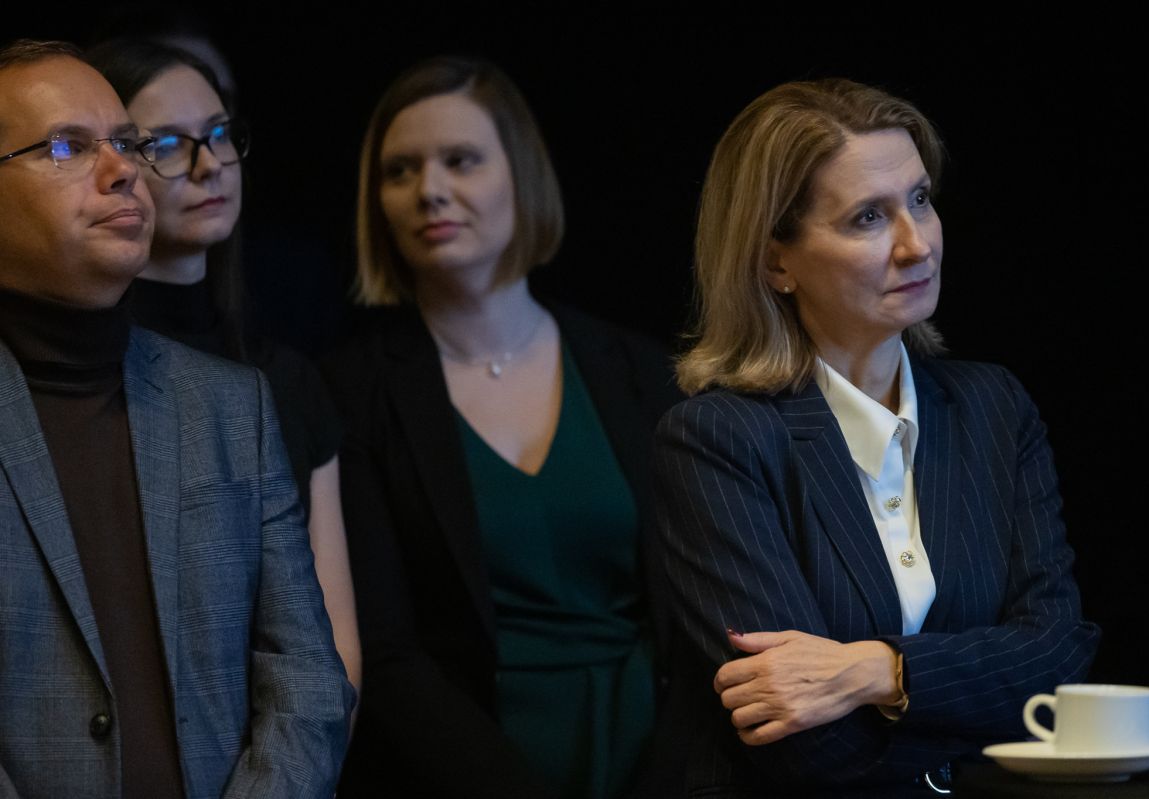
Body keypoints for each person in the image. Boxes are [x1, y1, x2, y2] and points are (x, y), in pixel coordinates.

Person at [653, 77, 1101, 796]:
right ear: (775, 261)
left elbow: (1057, 658)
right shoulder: (716, 440)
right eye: (868, 217)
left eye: (920, 199)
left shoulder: (993, 406)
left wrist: (878, 671)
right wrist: (977, 713)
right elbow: (801, 741)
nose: (916, 244)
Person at [321, 55, 682, 798]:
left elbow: (697, 616)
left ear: (521, 173)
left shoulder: (641, 373)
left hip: (658, 763)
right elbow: (385, 651)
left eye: (461, 160)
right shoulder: (352, 392)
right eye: (399, 171)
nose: (429, 189)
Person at [0, 39, 353, 798]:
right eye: (68, 146)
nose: (124, 169)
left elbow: (307, 679)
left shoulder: (232, 405)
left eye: (127, 143)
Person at [85, 38, 361, 700]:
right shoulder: (84, 374)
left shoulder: (287, 379)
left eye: (218, 134)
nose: (210, 165)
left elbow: (335, 652)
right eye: (166, 144)